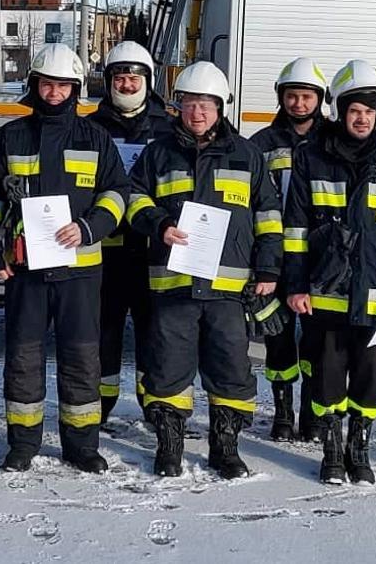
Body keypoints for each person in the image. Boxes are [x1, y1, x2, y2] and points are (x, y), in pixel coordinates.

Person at [0, 43, 131, 473]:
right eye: (47, 84)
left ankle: (81, 446)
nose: (55, 92)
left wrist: (88, 228)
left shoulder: (95, 138)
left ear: (75, 89)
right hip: (25, 270)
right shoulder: (11, 136)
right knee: (22, 358)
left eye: (63, 85)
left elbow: (117, 193)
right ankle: (23, 443)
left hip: (80, 271)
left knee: (82, 359)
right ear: (34, 85)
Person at [123, 61, 281, 478]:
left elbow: (269, 217)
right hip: (172, 285)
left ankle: (225, 448)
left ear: (220, 108)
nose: (197, 113)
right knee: (167, 367)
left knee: (231, 369)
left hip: (228, 291)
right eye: (190, 104)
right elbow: (133, 199)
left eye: (206, 105)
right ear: (178, 107)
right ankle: (169, 446)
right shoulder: (158, 153)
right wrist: (159, 224)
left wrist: (268, 269)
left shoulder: (247, 156)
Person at [281, 59, 376, 484]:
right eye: (354, 111)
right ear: (339, 112)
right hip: (325, 294)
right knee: (326, 374)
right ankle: (331, 449)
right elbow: (295, 230)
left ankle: (358, 448)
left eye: (369, 111)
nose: (362, 118)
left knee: (370, 375)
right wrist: (296, 285)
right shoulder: (311, 158)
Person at [85, 40, 176, 427]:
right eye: (119, 78)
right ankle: (101, 403)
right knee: (103, 331)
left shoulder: (169, 129)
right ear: (108, 82)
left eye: (133, 78)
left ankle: (153, 402)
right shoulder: (90, 128)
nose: (126, 84)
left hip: (154, 249)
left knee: (155, 331)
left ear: (148, 81)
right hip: (105, 250)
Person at [252, 56, 331, 443]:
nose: (299, 104)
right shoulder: (262, 144)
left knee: (318, 342)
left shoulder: (332, 141)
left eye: (306, 96)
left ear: (320, 99)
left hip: (320, 259)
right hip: (275, 256)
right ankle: (283, 412)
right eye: (292, 96)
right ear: (281, 97)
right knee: (277, 337)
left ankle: (313, 411)